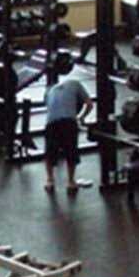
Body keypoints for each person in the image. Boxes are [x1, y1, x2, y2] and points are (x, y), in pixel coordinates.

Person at [43, 60, 93, 194]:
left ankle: (49, 181)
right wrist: (81, 118)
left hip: (50, 122)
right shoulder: (76, 83)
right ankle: (71, 182)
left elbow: (49, 107)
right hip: (68, 122)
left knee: (50, 152)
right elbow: (89, 104)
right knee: (71, 151)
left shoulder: (50, 90)